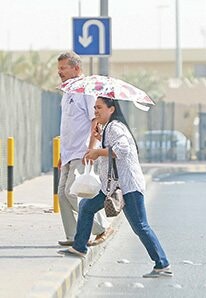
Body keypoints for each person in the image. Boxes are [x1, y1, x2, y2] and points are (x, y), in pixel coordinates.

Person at [58, 96, 172, 278]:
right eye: (95, 108)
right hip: (111, 186)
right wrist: (99, 137)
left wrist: (97, 151)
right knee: (86, 207)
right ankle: (80, 247)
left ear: (111, 109)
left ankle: (162, 263)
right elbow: (112, 147)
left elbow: (122, 149)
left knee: (140, 226)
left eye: (100, 108)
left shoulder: (115, 126)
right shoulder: (108, 128)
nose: (96, 112)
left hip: (128, 186)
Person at [57, 51, 113, 246]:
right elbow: (68, 126)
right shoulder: (67, 93)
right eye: (59, 69)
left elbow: (95, 120)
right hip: (68, 153)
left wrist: (91, 149)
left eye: (63, 68)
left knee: (73, 193)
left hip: (81, 152)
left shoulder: (86, 91)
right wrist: (61, 155)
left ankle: (102, 227)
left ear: (76, 68)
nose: (60, 72)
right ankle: (73, 236)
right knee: (62, 195)